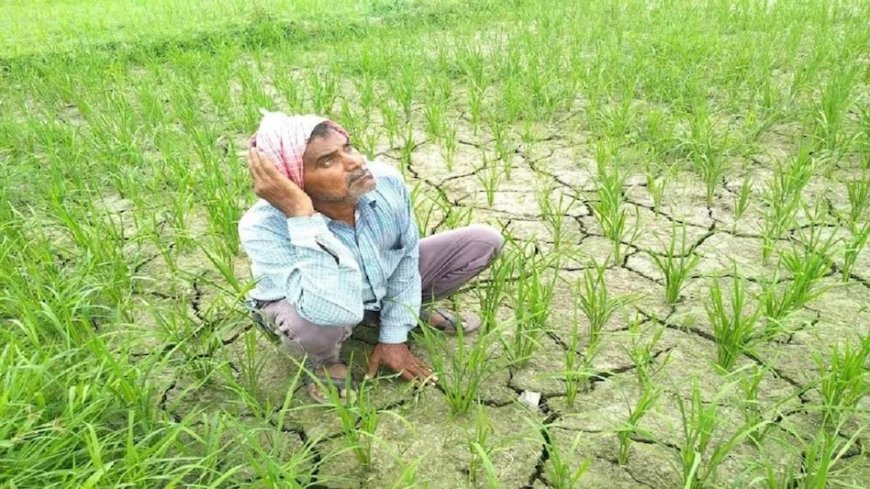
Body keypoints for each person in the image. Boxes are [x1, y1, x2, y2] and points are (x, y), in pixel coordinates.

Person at [238, 111, 504, 402]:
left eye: (348, 147)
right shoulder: (262, 227)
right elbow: (331, 310)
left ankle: (390, 314)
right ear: (292, 181)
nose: (355, 162)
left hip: (374, 282)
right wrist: (302, 217)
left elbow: (405, 258)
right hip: (311, 307)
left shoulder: (386, 182)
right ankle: (325, 361)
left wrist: (394, 336)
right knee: (315, 327)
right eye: (327, 161)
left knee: (482, 242)